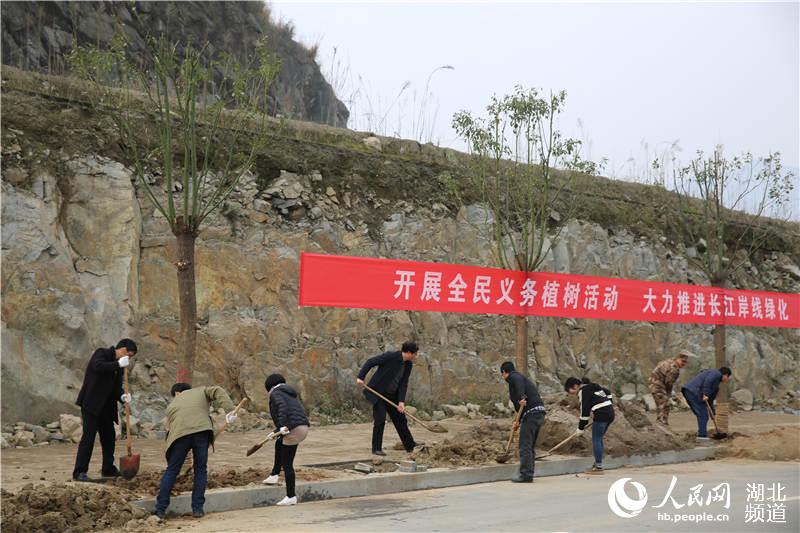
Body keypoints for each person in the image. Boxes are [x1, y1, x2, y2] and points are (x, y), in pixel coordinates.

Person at [154, 383, 238, 519]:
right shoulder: (201, 391)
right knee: (200, 470)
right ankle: (197, 509)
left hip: (180, 435)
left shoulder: (171, 406)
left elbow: (171, 433)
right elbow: (217, 390)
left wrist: (177, 464)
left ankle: (160, 509)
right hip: (202, 432)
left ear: (176, 393)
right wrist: (230, 411)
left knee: (171, 471)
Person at [72, 338, 137, 482]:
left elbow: (115, 388)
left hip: (106, 408)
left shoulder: (120, 368)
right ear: (123, 350)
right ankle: (79, 471)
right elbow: (98, 367)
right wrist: (117, 364)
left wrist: (122, 396)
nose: (129, 359)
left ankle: (108, 468)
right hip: (91, 404)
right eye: (130, 355)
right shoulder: (101, 354)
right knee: (88, 438)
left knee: (109, 438)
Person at [356, 341, 420, 456]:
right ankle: (376, 448)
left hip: (392, 395)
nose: (416, 356)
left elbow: (403, 383)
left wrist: (401, 401)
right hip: (378, 392)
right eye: (415, 353)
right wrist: (361, 377)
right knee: (380, 419)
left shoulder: (408, 365)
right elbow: (370, 362)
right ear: (409, 353)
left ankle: (410, 446)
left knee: (400, 420)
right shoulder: (391, 356)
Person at [261, 374, 311, 506]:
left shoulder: (276, 394)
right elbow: (291, 412)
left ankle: (291, 496)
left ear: (270, 387)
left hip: (293, 429)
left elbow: (282, 408)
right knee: (279, 443)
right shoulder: (287, 392)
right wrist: (277, 431)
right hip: (302, 427)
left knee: (287, 463)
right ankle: (274, 474)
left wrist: (282, 426)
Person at [500, 361, 546, 483]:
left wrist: (521, 397)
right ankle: (529, 473)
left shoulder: (514, 377)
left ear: (504, 372)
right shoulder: (518, 379)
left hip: (531, 414)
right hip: (538, 413)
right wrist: (518, 421)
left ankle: (525, 475)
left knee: (524, 445)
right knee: (529, 446)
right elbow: (518, 407)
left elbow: (520, 389)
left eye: (502, 374)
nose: (503, 377)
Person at [564, 377, 615, 475]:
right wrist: (608, 403)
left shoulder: (583, 391)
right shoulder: (593, 386)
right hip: (610, 413)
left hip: (601, 415)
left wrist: (580, 428)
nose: (572, 394)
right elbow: (607, 391)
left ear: (575, 386)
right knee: (599, 439)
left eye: (570, 391)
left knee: (596, 439)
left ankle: (598, 467)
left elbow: (584, 412)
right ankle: (597, 463)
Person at [681, 367, 732, 441]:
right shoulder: (716, 373)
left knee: (702, 415)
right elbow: (708, 381)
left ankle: (702, 434)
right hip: (692, 392)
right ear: (725, 375)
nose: (727, 380)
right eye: (728, 377)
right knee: (703, 415)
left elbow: (710, 400)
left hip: (691, 392)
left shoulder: (716, 386)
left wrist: (712, 412)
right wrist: (705, 394)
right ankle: (702, 437)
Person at [648, 350, 691, 425]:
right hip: (658, 386)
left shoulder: (669, 361)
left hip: (654, 384)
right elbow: (669, 383)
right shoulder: (674, 369)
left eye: (685, 362)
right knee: (665, 403)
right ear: (677, 358)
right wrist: (670, 394)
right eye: (683, 361)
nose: (684, 364)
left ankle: (660, 422)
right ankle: (662, 423)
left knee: (661, 404)